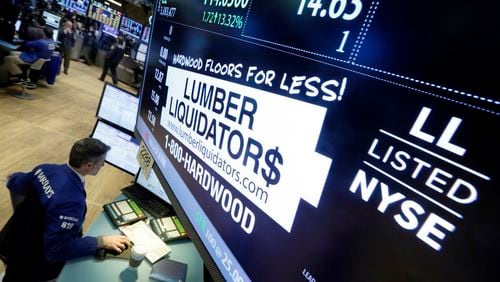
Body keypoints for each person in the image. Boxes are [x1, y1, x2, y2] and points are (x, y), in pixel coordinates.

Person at [0, 138, 131, 282]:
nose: (103, 165)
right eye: (101, 162)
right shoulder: (71, 201)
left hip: (14, 242)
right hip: (33, 264)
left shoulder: (45, 169)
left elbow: (15, 181)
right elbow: (57, 249)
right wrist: (101, 242)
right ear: (88, 165)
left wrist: (21, 215)